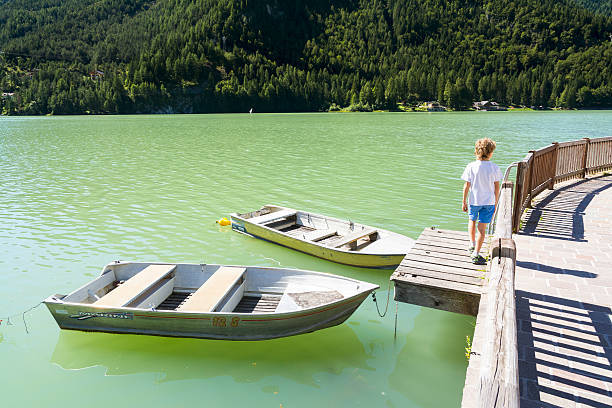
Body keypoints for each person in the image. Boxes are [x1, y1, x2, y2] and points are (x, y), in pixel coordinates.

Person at [461, 138, 502, 265]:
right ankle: (476, 254)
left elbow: (466, 186)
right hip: (489, 202)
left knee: (472, 221)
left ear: (476, 151)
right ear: (490, 153)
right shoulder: (494, 167)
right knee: (482, 229)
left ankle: (471, 244)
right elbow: (496, 187)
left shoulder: (471, 166)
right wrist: (496, 202)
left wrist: (464, 201)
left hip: (474, 200)